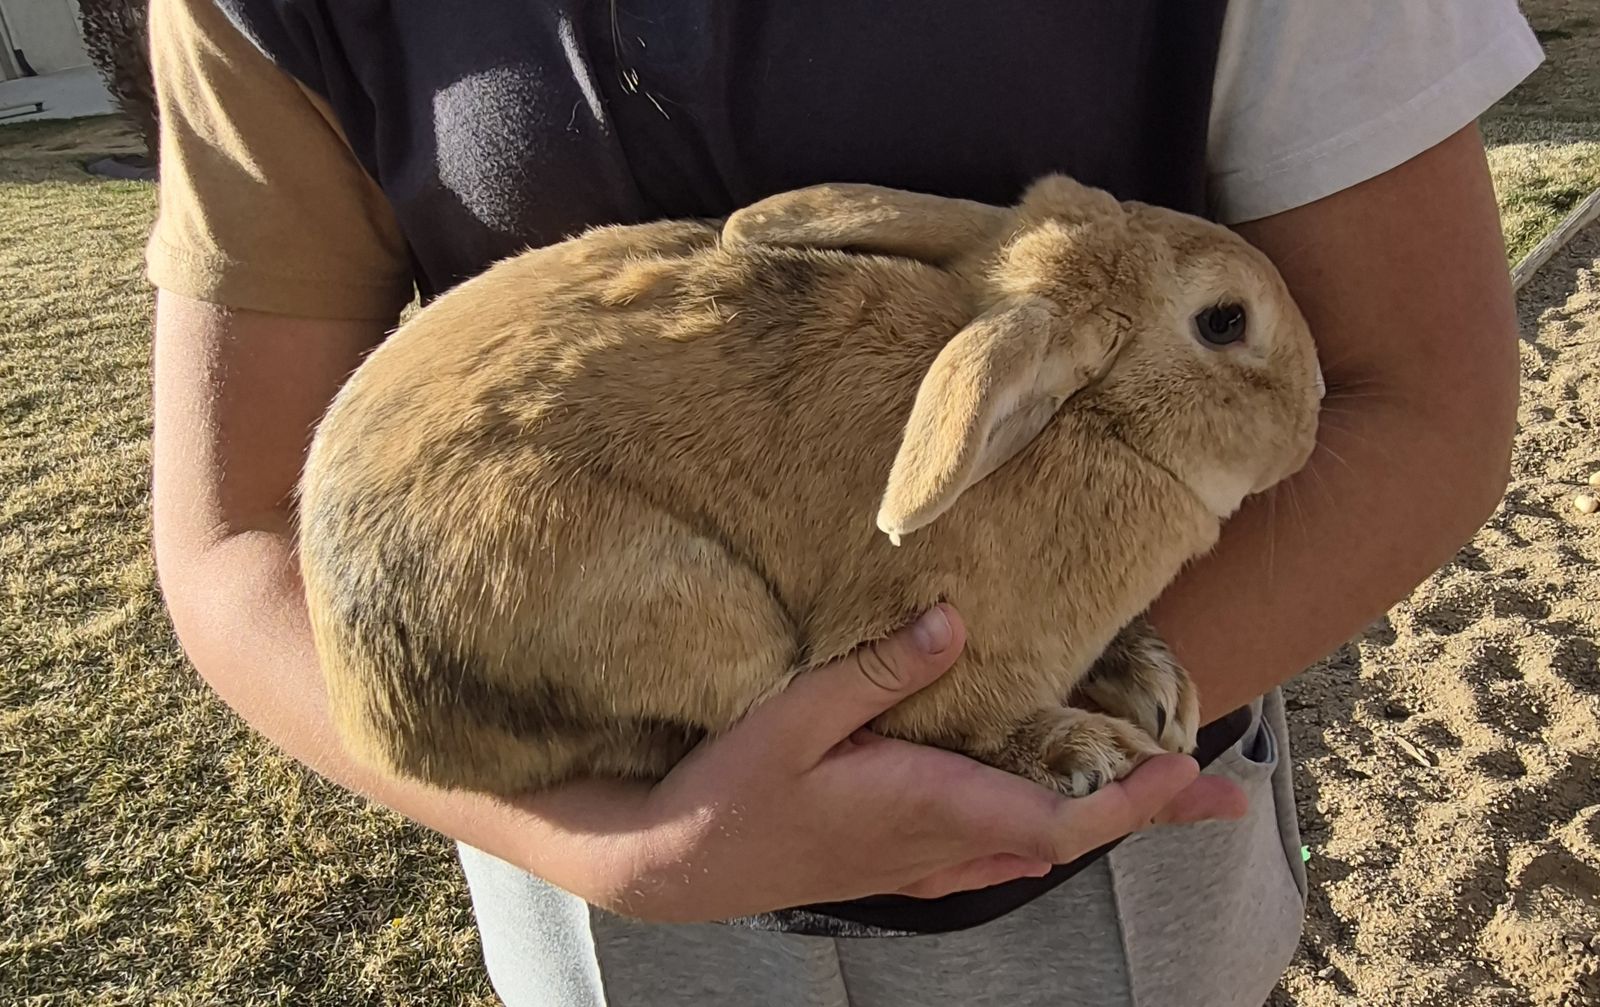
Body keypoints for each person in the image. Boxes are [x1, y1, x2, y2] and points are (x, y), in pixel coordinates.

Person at [142, 0, 1542, 1003]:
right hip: (604, 878)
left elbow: (1418, 402)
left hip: (1108, 881)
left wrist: (1036, 718)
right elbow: (236, 527)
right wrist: (617, 847)